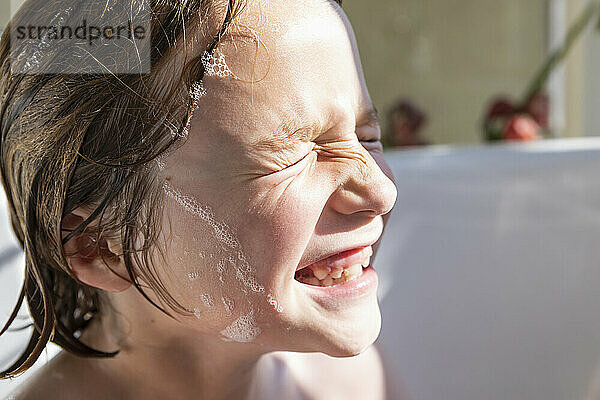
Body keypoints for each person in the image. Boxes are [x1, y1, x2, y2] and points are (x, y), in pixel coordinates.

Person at [0, 0, 398, 398]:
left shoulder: (349, 382)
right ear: (100, 247)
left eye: (367, 137)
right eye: (292, 156)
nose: (381, 190)